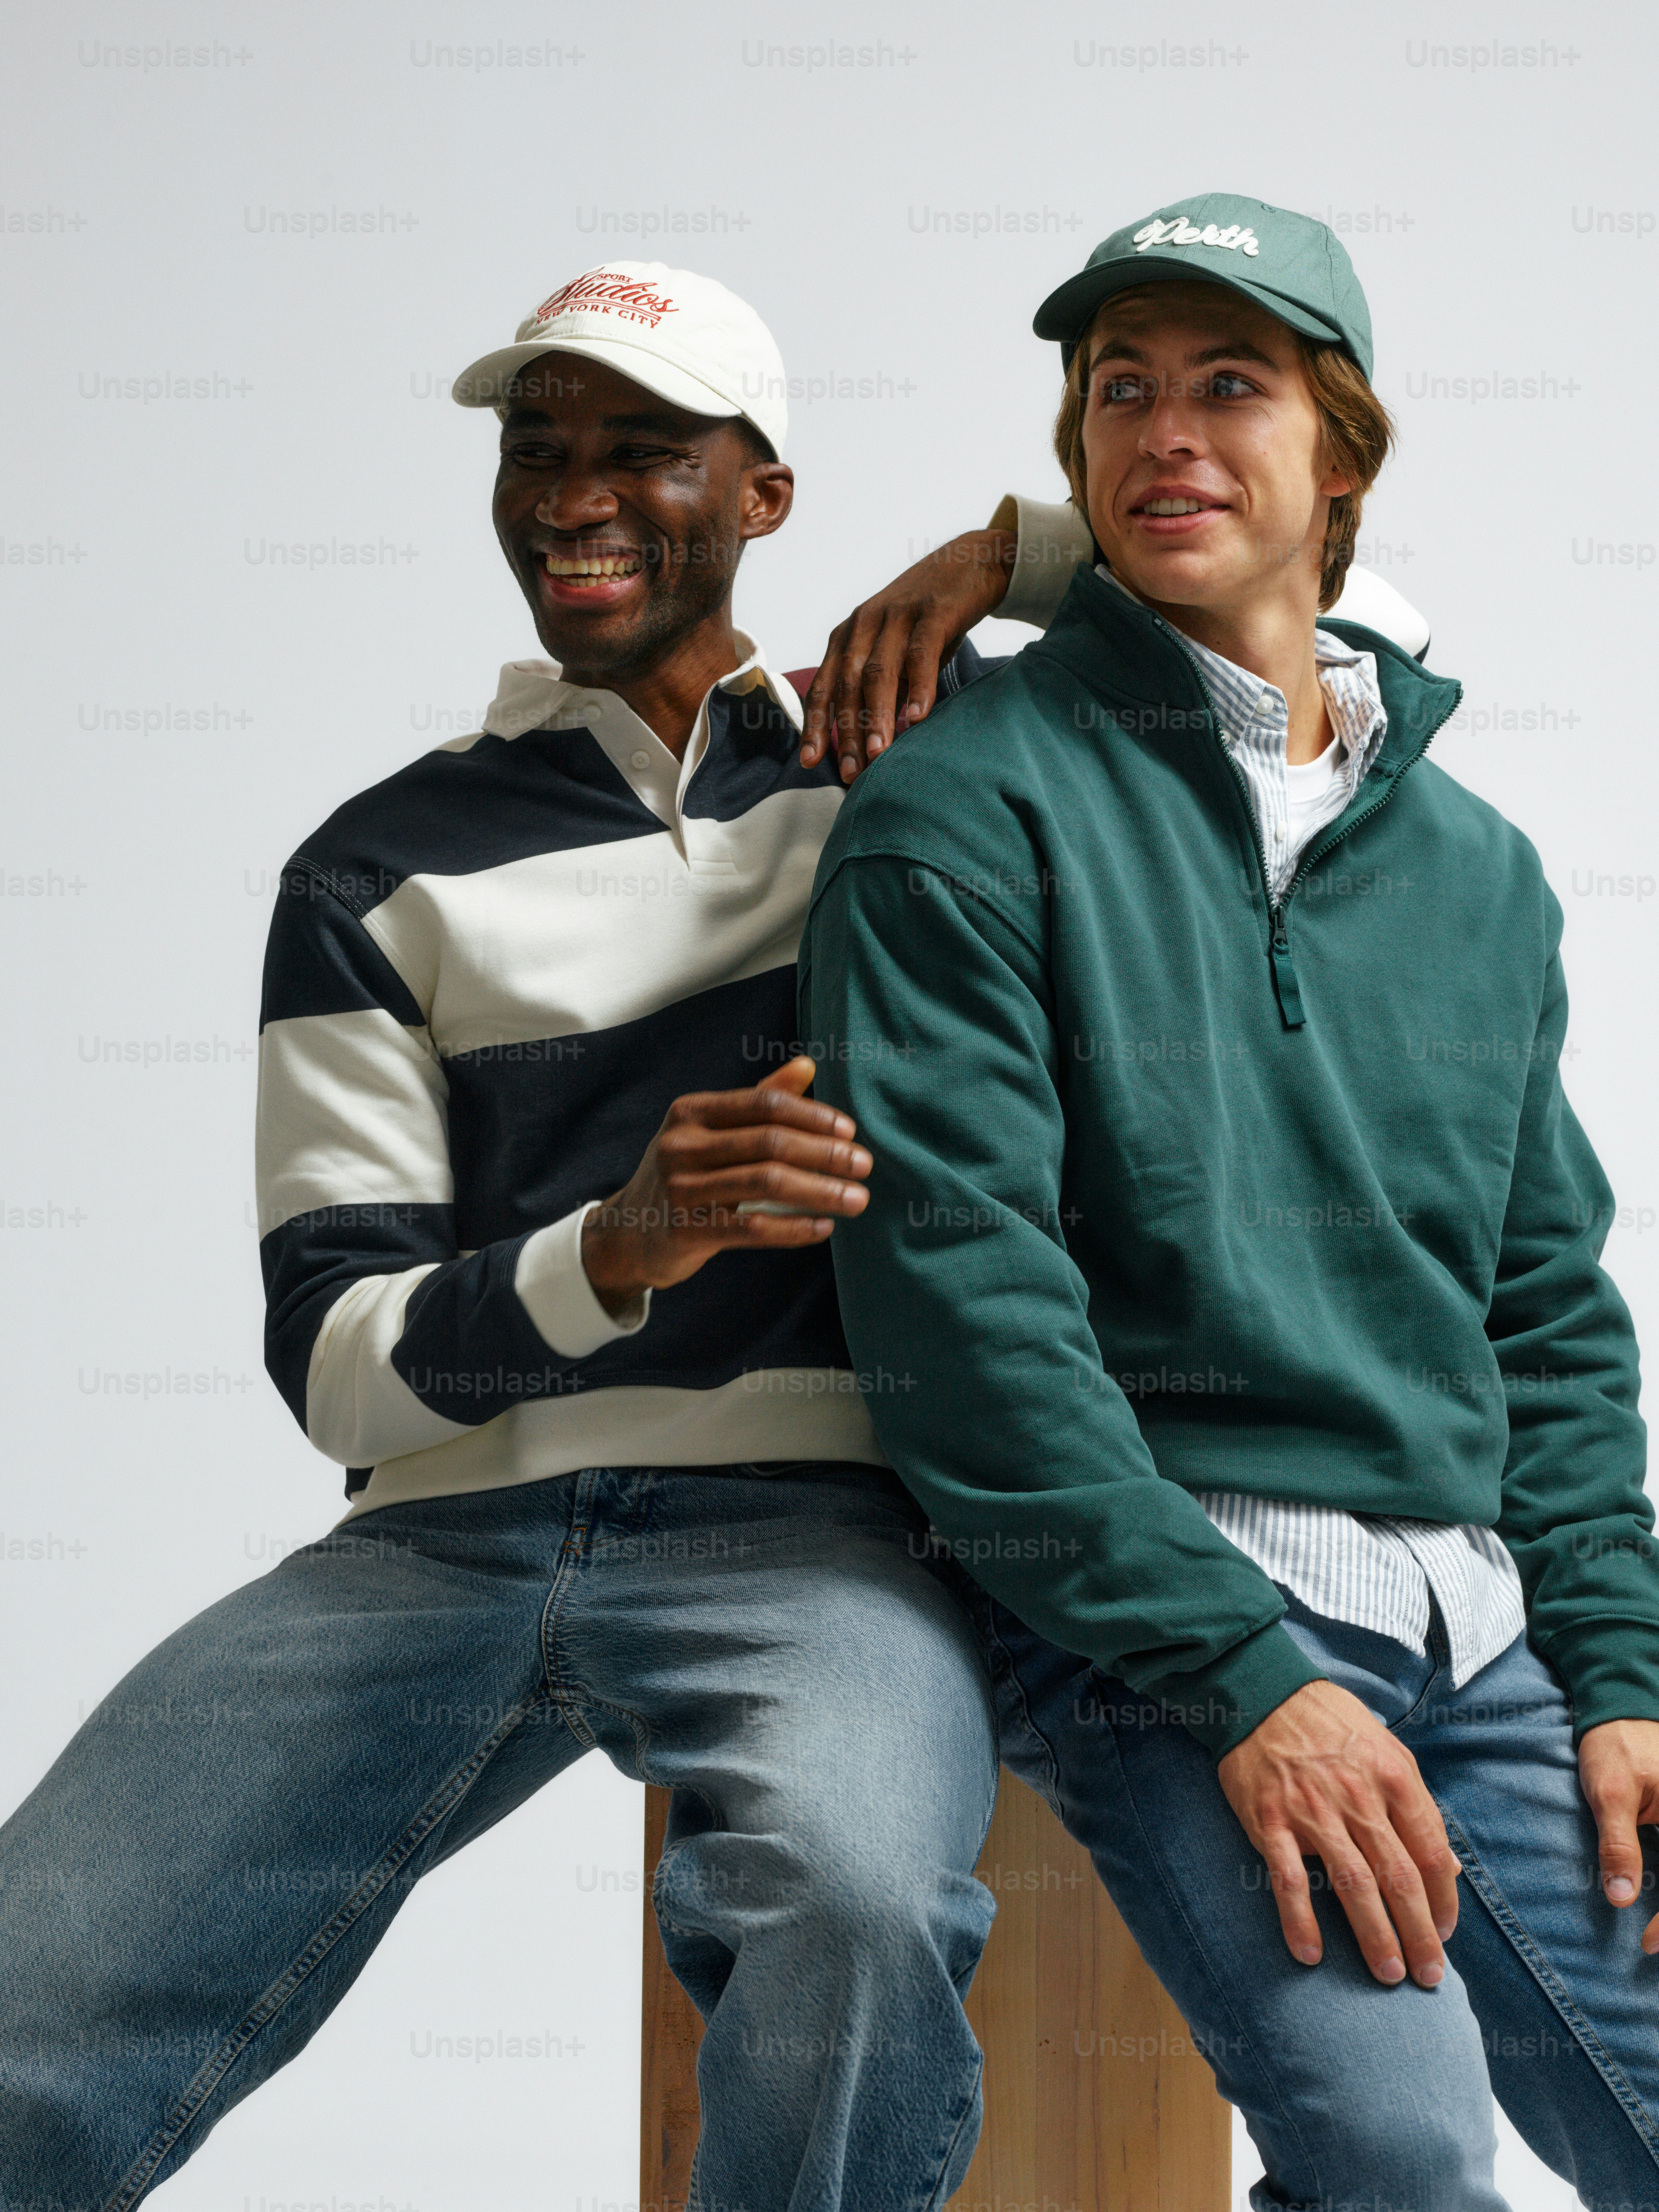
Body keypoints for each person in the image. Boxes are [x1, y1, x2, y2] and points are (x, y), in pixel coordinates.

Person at [800, 194, 1659, 2208]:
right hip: (1177, 1612)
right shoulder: (964, 802)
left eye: (1230, 386)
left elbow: (1548, 1309)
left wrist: (1624, 1672)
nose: (1166, 432)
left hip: (1488, 1634)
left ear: (1341, 454)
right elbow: (956, 1299)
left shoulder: (1481, 870)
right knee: (1401, 2159)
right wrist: (1242, 1673)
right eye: (1120, 393)